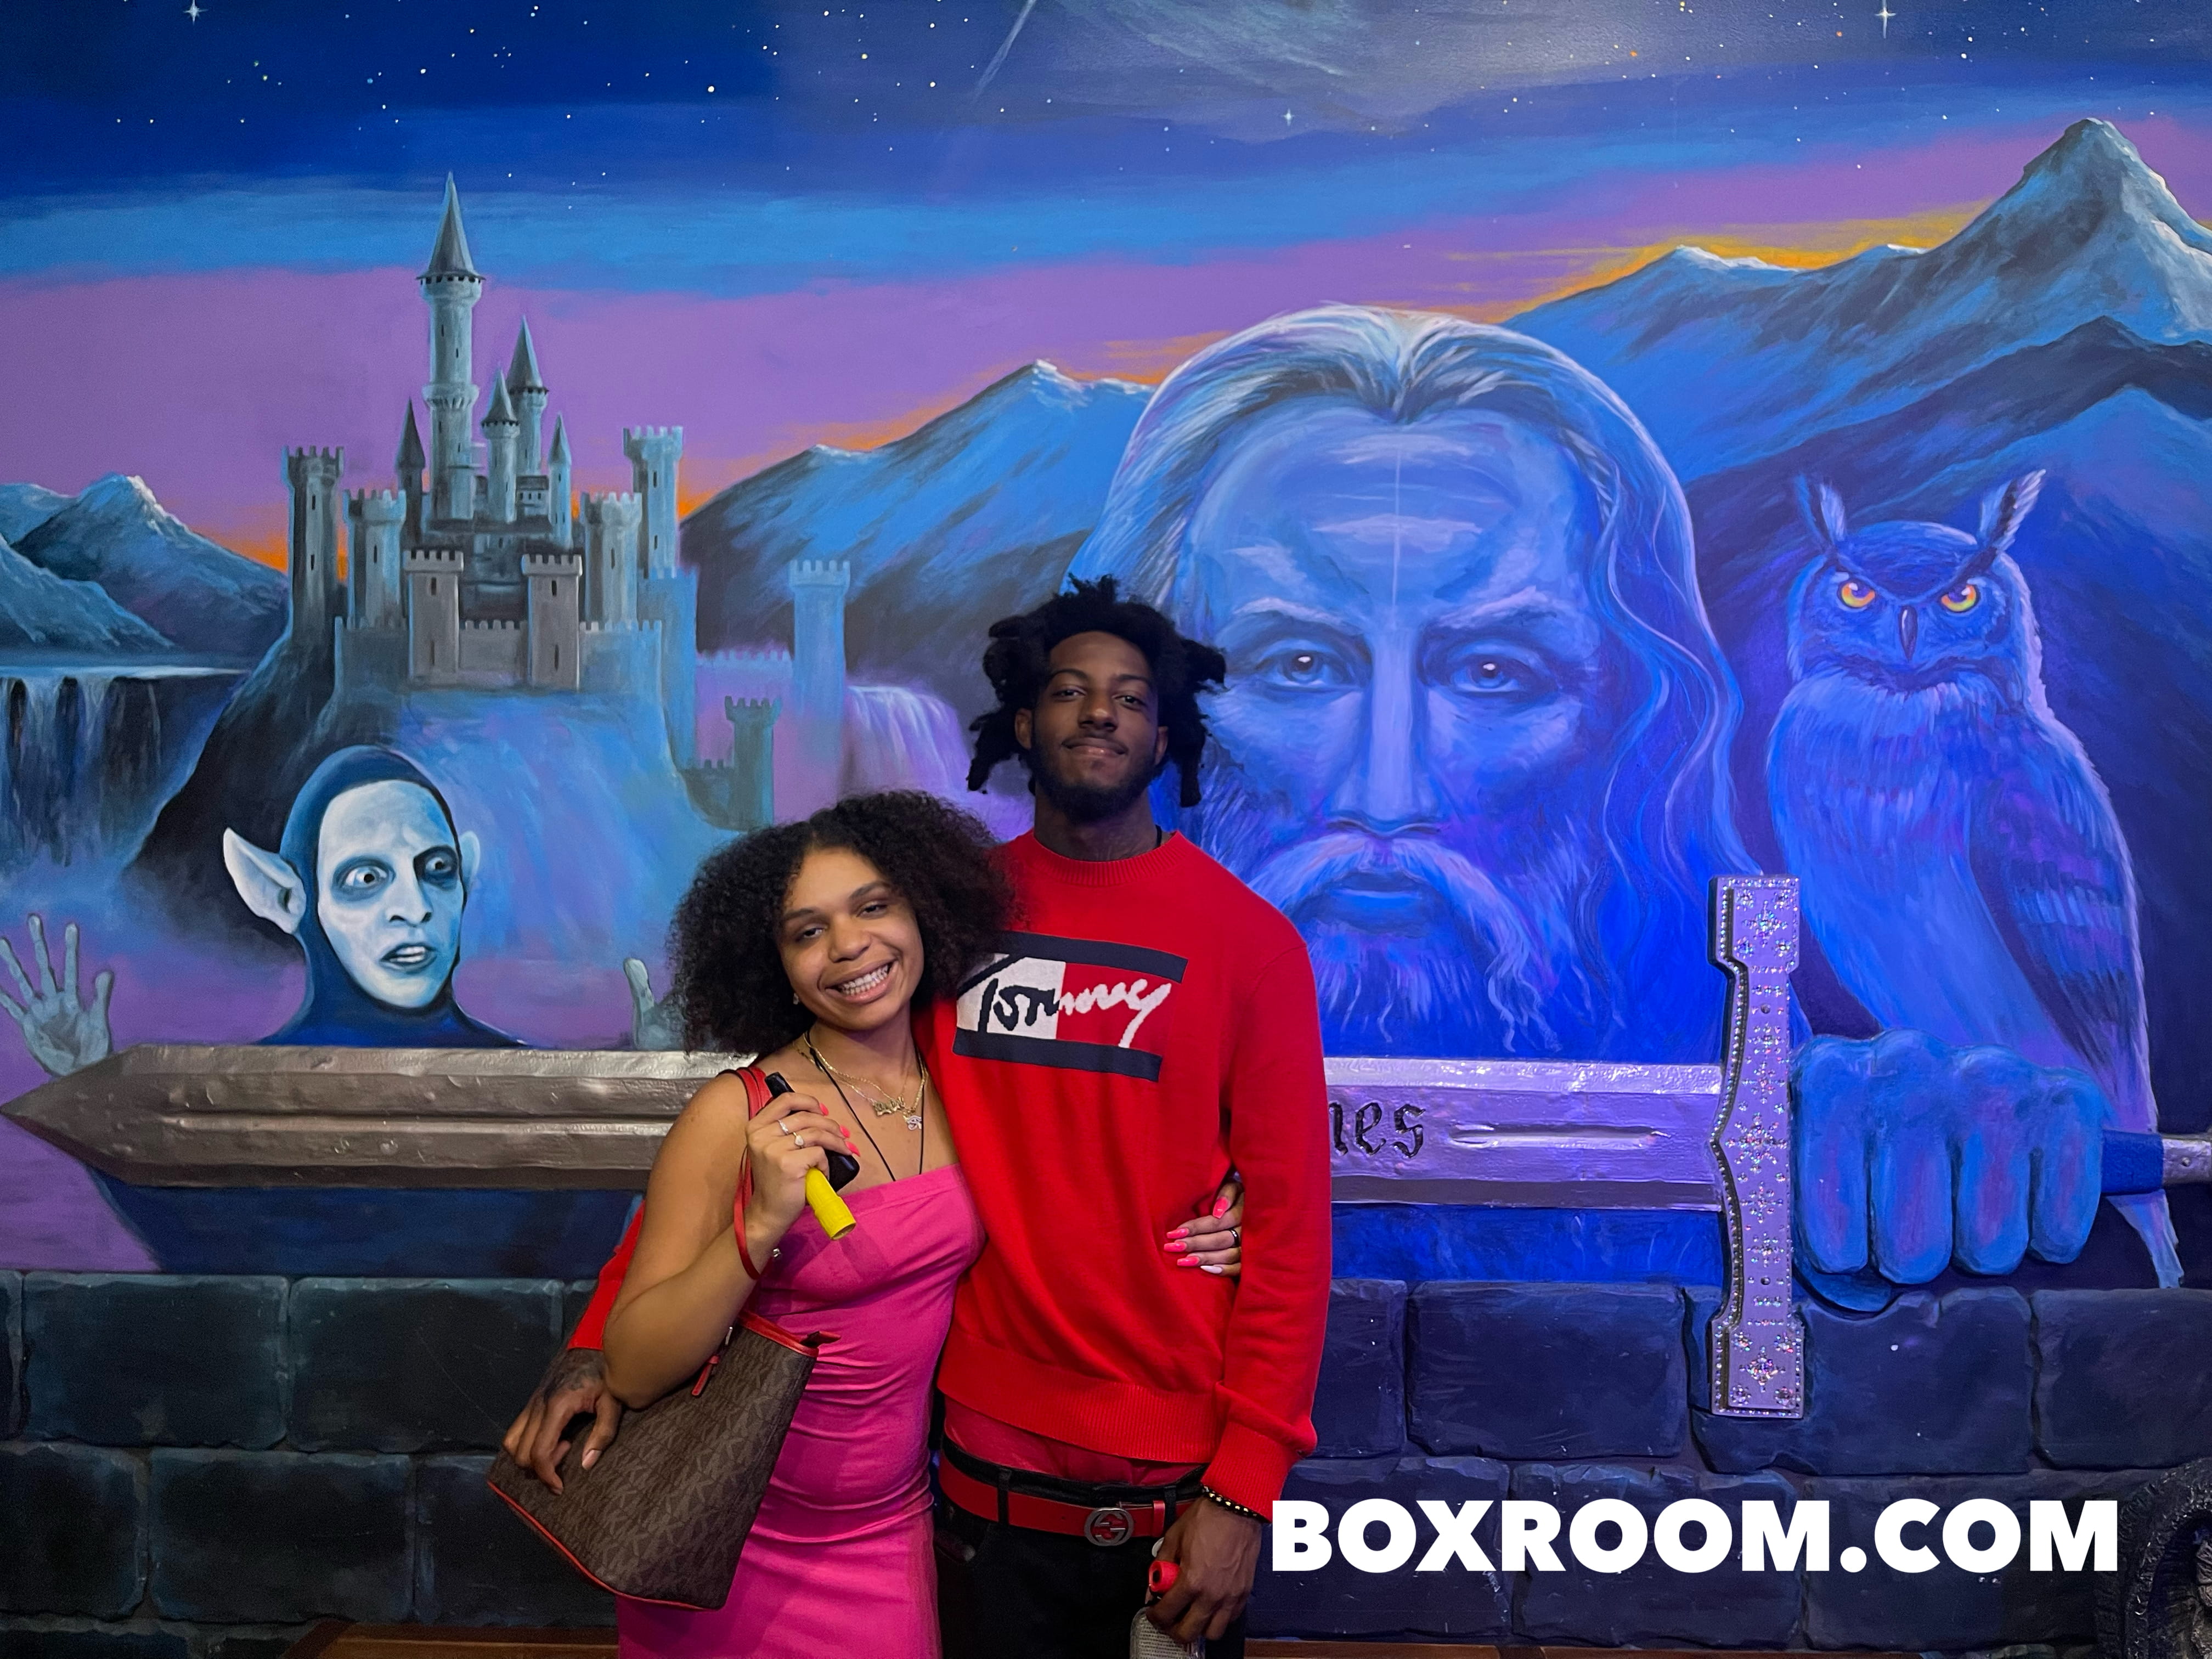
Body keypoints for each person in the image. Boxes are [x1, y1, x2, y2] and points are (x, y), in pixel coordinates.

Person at [1063, 302, 2138, 1299]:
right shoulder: (1009, 1013)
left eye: (1495, 673)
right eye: (1295, 665)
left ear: (1631, 727)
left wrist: (1912, 1148)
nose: (1387, 794)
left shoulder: (1725, 1065)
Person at [511, 581, 1334, 1656]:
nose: (1100, 712)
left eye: (1131, 697)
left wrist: (1245, 1491)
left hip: (1173, 1481)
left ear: (1165, 734)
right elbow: (749, 1126)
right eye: (1069, 691)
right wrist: (593, 1347)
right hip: (973, 1483)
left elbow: (1291, 1231)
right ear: (1022, 724)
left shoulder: (1251, 946)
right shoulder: (946, 923)